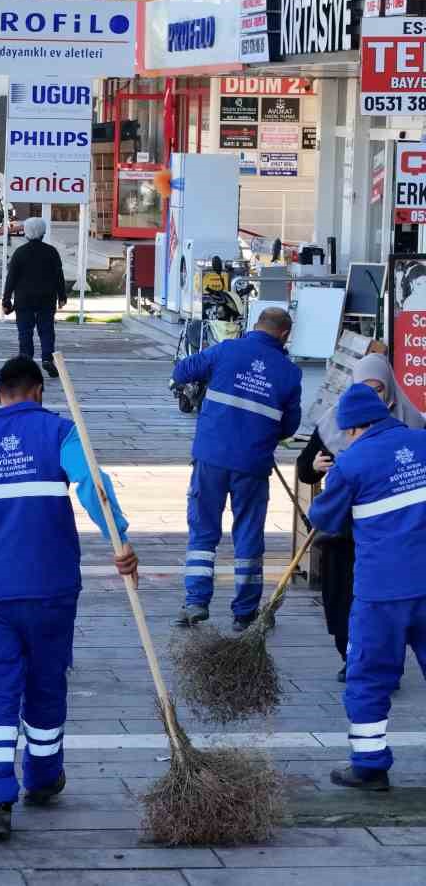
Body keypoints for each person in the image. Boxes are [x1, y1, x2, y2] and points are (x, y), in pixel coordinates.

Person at [0, 356, 137, 840]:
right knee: (45, 683)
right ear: (38, 392)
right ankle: (43, 777)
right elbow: (94, 490)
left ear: (0, 395)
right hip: (51, 588)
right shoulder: (59, 433)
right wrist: (120, 542)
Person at [310, 384, 426, 792]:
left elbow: (324, 520)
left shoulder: (352, 462)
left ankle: (370, 764)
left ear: (353, 428)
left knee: (370, 676)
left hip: (382, 592)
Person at [171, 307, 302, 630]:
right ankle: (244, 613)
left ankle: (196, 602)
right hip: (252, 464)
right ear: (284, 334)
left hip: (211, 457)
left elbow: (183, 370)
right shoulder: (288, 372)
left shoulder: (227, 350)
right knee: (248, 535)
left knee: (203, 530)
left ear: (256, 326)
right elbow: (289, 426)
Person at [298, 353, 425, 681]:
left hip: (393, 538)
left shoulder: (413, 426)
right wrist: (314, 469)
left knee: (380, 605)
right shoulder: (333, 422)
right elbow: (306, 470)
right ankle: (352, 657)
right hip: (345, 534)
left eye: (378, 389)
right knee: (343, 599)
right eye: (365, 388)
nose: (372, 397)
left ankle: (380, 667)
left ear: (390, 390)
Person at [2, 218, 67, 378]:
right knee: (46, 331)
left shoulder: (20, 252)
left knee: (25, 331)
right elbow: (59, 275)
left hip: (24, 299)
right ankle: (47, 358)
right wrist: (62, 296)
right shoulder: (51, 252)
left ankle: (26, 361)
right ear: (43, 233)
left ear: (26, 233)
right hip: (46, 298)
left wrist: (6, 299)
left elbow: (12, 278)